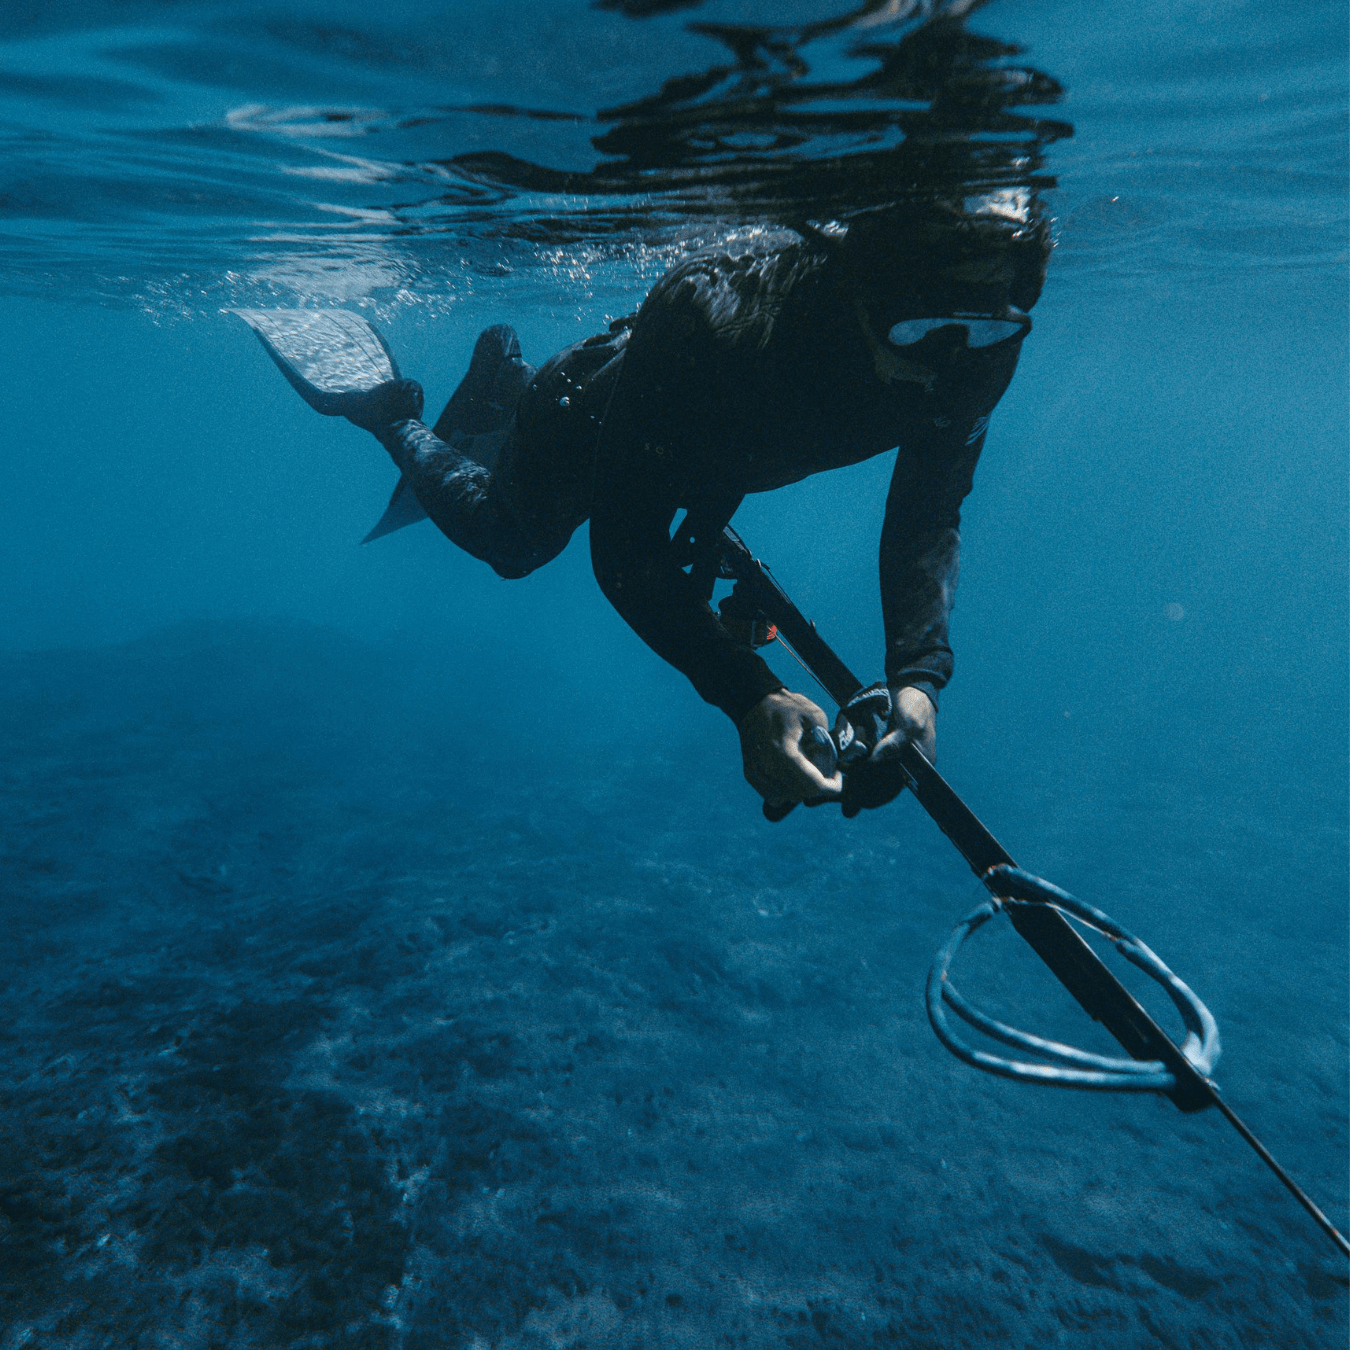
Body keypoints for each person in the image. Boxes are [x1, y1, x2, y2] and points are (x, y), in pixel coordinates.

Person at [344, 200, 1051, 812]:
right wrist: (747, 693)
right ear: (867, 293)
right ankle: (389, 414)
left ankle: (503, 375)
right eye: (923, 331)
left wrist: (918, 680)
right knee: (512, 543)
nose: (951, 360)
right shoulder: (713, 312)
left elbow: (928, 516)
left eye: (982, 329)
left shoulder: (980, 342)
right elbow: (626, 551)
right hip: (586, 413)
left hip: (701, 447)